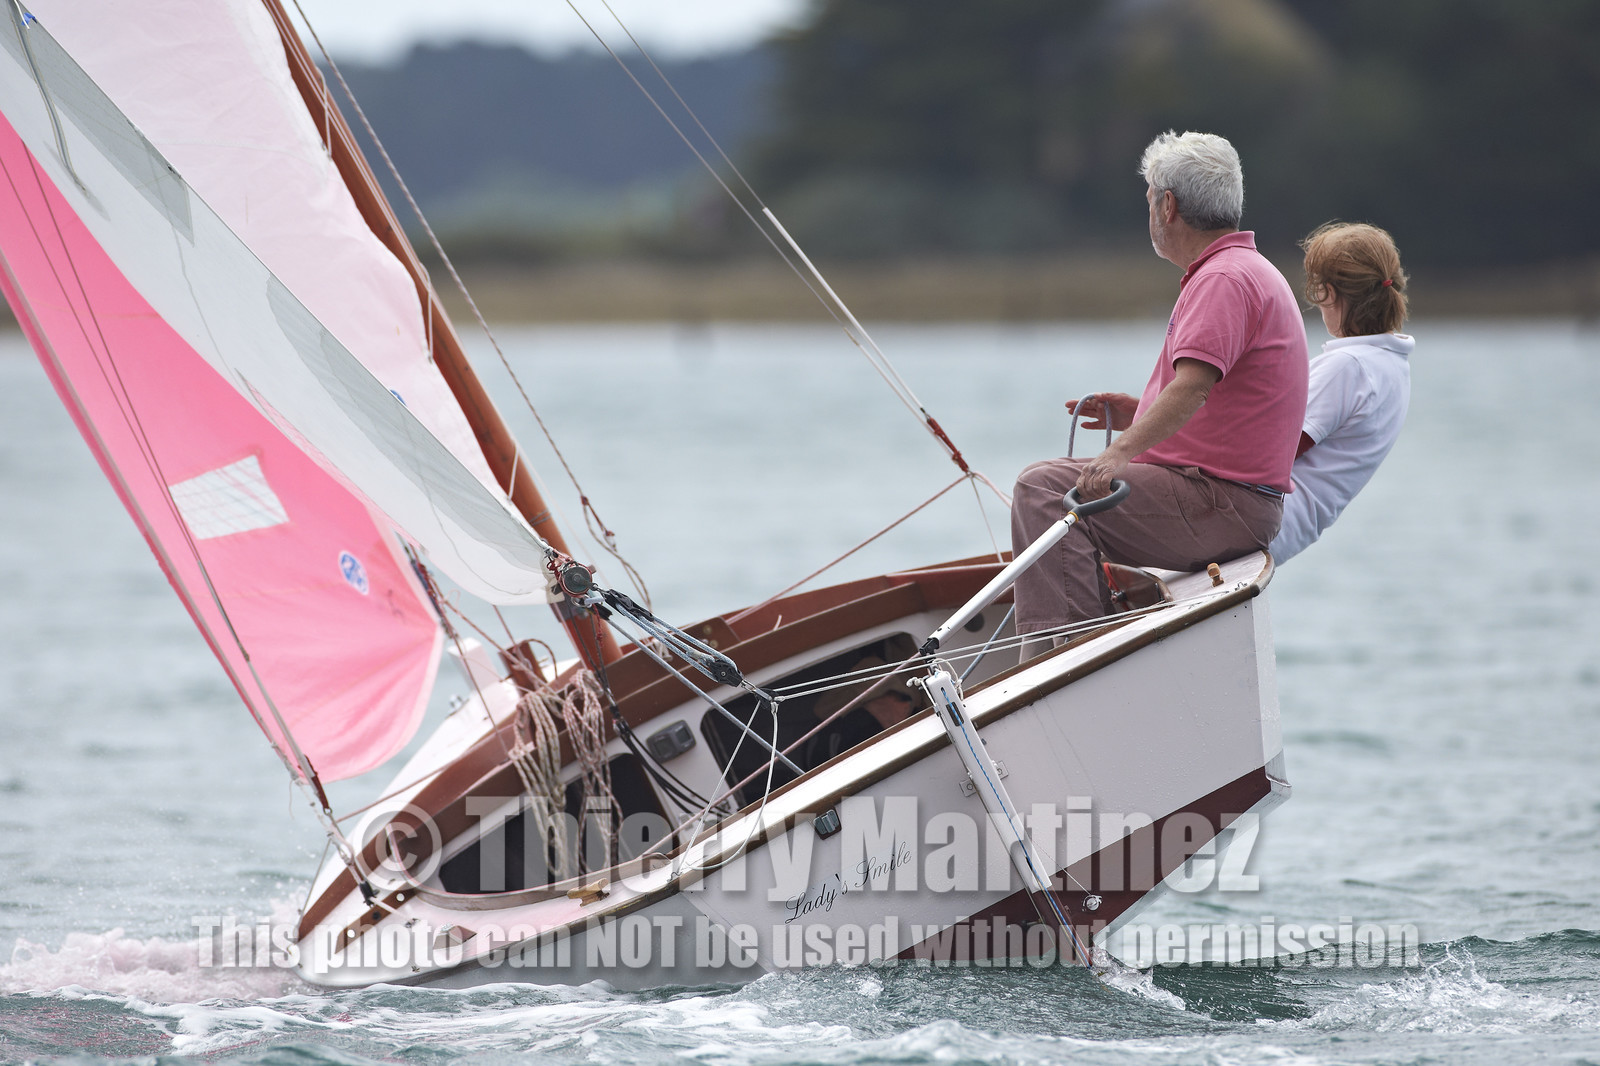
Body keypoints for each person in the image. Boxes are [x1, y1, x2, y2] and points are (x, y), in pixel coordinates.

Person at [1011, 130, 1308, 652]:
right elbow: (1212, 393)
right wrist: (1140, 413)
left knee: (1042, 491)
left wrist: (1118, 452)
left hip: (1222, 504)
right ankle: (1087, 641)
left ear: (1167, 205)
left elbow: (1193, 387)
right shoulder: (1243, 269)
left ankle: (1064, 662)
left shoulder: (1224, 279)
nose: (1149, 209)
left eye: (1149, 197)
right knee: (1053, 490)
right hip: (1232, 501)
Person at [1270, 222, 1412, 563]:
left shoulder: (1349, 367)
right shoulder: (1393, 365)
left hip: (1263, 520)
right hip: (1290, 531)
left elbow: (1273, 452)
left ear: (1329, 293)